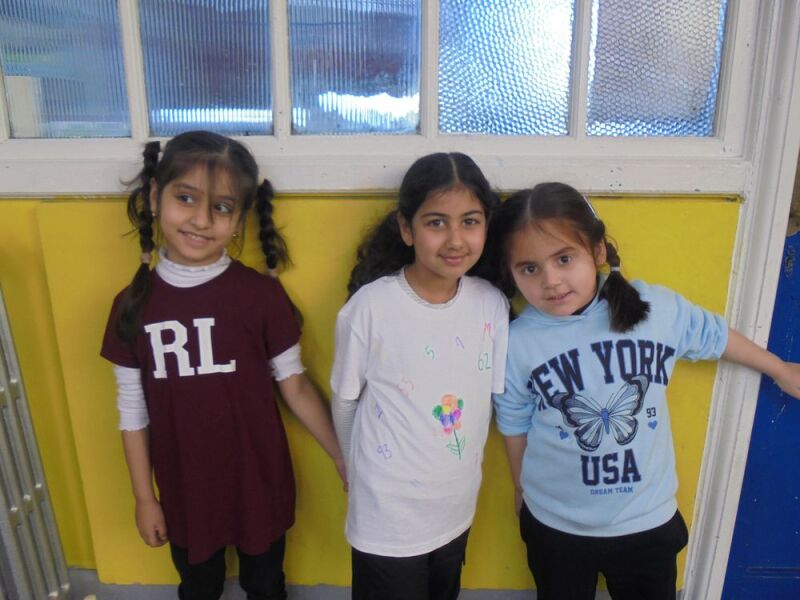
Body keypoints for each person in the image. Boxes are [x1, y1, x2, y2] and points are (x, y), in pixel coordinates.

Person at [488, 182, 800, 600]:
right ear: (511, 272)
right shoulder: (519, 341)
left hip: (646, 522)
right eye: (529, 269)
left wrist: (778, 368)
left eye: (564, 259)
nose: (551, 281)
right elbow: (514, 420)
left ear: (597, 251)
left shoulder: (655, 310)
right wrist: (521, 491)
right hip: (556, 526)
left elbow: (714, 335)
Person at [100, 131, 345, 600]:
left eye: (222, 207)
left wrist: (341, 453)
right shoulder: (131, 306)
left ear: (239, 219)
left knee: (266, 585)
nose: (201, 220)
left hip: (259, 483)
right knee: (198, 587)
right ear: (155, 196)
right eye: (185, 198)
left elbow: (294, 386)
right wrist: (144, 498)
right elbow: (132, 414)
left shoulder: (260, 296)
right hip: (184, 491)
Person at [330, 152, 509, 600]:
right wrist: (351, 466)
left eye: (470, 222)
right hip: (386, 517)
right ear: (406, 228)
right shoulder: (369, 308)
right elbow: (345, 400)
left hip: (455, 509)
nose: (455, 239)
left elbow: (488, 401)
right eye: (436, 223)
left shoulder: (492, 304)